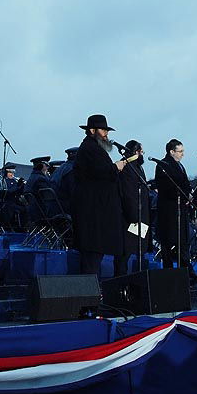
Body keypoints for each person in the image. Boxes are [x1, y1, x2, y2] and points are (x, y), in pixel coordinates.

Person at [72, 114, 126, 275]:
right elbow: (100, 173)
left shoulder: (93, 148)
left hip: (96, 212)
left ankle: (90, 291)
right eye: (103, 130)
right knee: (91, 258)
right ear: (92, 130)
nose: (106, 134)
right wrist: (116, 167)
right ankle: (89, 293)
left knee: (93, 256)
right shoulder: (90, 149)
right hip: (93, 213)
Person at [154, 139, 193, 273]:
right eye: (180, 151)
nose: (182, 154)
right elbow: (166, 187)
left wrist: (189, 194)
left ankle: (185, 270)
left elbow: (185, 184)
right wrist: (183, 196)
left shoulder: (180, 166)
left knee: (183, 241)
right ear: (171, 152)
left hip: (181, 208)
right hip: (169, 210)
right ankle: (169, 271)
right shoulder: (163, 165)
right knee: (168, 241)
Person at [115, 140, 151, 276]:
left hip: (138, 214)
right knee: (125, 252)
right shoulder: (128, 167)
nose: (142, 154)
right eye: (141, 152)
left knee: (136, 249)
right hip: (131, 216)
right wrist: (134, 217)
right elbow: (129, 193)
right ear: (136, 152)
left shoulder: (136, 167)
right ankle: (121, 280)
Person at [51, 146, 78, 215]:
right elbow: (74, 192)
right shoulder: (72, 170)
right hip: (66, 207)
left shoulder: (60, 169)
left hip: (56, 207)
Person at [25, 156, 53, 222]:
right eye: (46, 165)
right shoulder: (41, 179)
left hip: (34, 210)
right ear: (41, 166)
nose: (47, 168)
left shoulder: (33, 177)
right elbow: (49, 196)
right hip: (41, 212)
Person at [0, 163, 25, 230]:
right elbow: (9, 191)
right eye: (10, 172)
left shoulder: (14, 181)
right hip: (7, 203)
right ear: (6, 172)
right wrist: (18, 186)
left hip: (14, 202)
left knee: (25, 209)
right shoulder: (4, 181)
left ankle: (22, 227)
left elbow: (18, 192)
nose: (12, 174)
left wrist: (22, 186)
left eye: (13, 172)